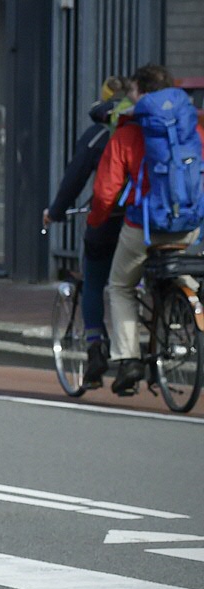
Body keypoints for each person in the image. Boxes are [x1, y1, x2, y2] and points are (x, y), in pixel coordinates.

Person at [88, 63, 204, 395]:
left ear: (140, 92)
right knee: (177, 270)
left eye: (134, 92)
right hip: (188, 227)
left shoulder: (127, 133)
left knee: (120, 286)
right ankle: (186, 304)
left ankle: (129, 360)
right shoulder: (191, 130)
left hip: (146, 227)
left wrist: (96, 221)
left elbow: (105, 191)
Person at [43, 76, 130, 388]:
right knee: (136, 285)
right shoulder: (152, 129)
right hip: (153, 220)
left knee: (94, 282)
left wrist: (55, 212)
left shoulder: (99, 134)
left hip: (111, 218)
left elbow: (75, 178)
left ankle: (95, 349)